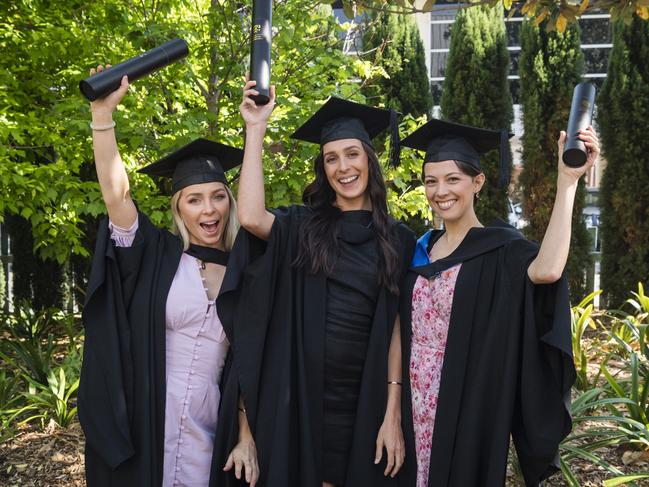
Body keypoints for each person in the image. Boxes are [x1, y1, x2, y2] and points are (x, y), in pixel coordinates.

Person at [212, 81, 416, 487]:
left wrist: (393, 411)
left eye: (352, 154)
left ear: (370, 160)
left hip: (366, 396)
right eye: (331, 159)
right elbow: (251, 216)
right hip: (302, 397)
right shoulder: (304, 226)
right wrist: (255, 129)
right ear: (322, 169)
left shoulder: (399, 238)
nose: (343, 167)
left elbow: (396, 326)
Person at [78, 66, 258, 487]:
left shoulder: (246, 270)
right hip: (148, 415)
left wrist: (247, 436)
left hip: (211, 425)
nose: (208, 210)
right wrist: (102, 118)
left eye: (217, 197)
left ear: (229, 203)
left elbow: (251, 361)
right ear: (178, 209)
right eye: (194, 200)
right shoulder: (156, 255)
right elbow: (117, 195)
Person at [396, 118, 598, 487]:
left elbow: (548, 270)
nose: (440, 191)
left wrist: (567, 182)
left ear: (478, 182)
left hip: (468, 403)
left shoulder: (501, 248)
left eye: (453, 178)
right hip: (411, 402)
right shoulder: (417, 249)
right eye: (431, 180)